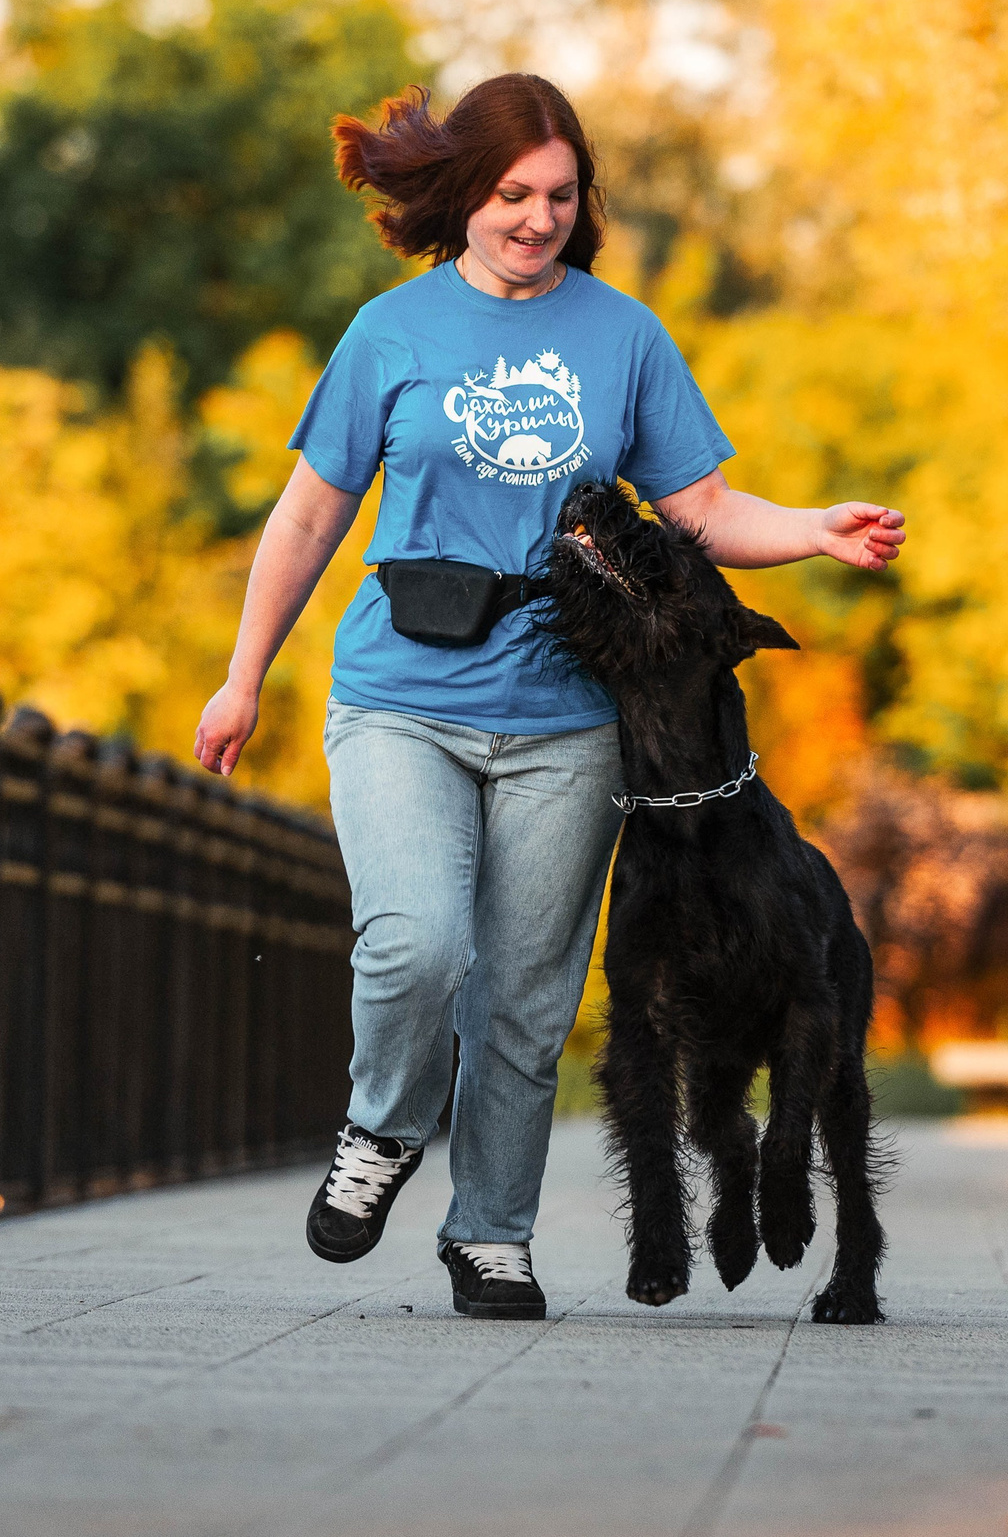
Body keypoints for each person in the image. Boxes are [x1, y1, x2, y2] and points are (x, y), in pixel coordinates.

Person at [192, 74, 907, 1321]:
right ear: (463, 194)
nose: (536, 218)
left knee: (526, 995)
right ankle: (380, 1127)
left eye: (560, 196)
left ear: (584, 204)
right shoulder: (391, 333)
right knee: (417, 941)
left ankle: (491, 1237)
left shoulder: (621, 335)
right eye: (512, 193)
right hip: (400, 695)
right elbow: (309, 511)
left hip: (568, 720)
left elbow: (700, 508)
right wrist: (243, 672)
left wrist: (815, 530)